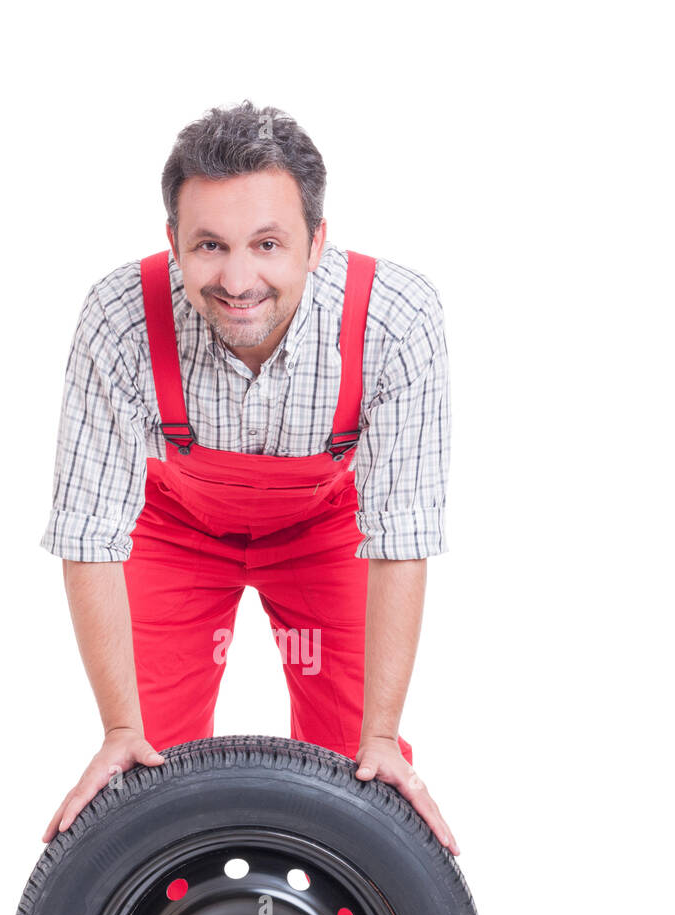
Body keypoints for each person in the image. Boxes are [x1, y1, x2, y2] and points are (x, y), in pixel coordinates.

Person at [40, 100, 459, 856]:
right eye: (209, 245)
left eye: (267, 243)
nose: (237, 279)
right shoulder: (119, 317)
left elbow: (400, 536)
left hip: (327, 532)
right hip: (174, 533)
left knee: (355, 775)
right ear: (173, 242)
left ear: (316, 243)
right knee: (149, 781)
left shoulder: (394, 319)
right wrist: (119, 730)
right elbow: (89, 531)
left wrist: (385, 736)